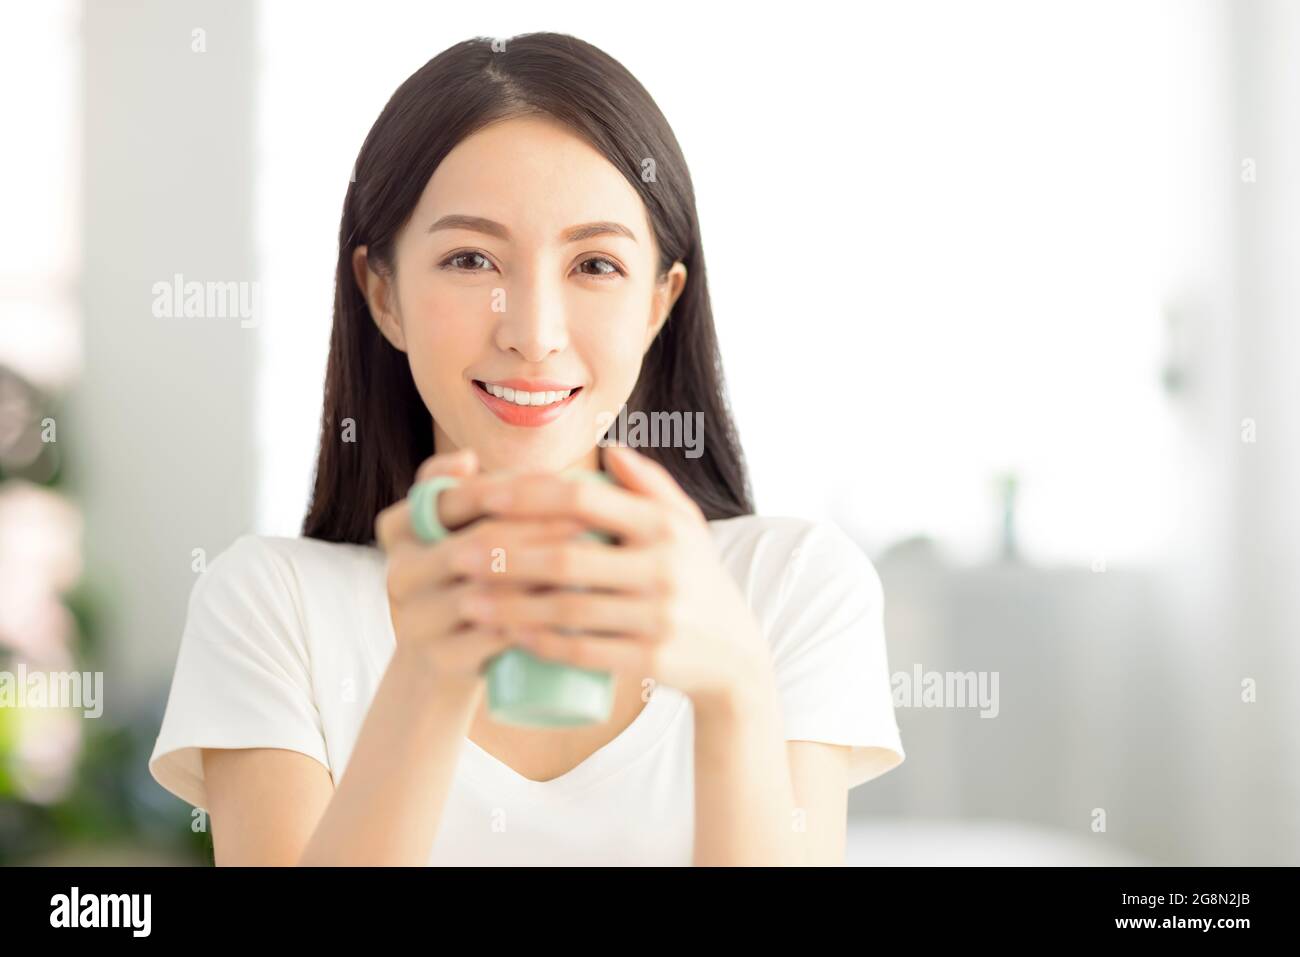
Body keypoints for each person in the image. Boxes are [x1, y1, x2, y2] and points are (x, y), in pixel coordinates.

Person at [148, 32, 904, 866]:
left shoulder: (788, 586)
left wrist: (735, 691)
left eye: (595, 264)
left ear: (660, 303)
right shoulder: (272, 605)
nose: (534, 334)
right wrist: (426, 681)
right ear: (383, 293)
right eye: (471, 258)